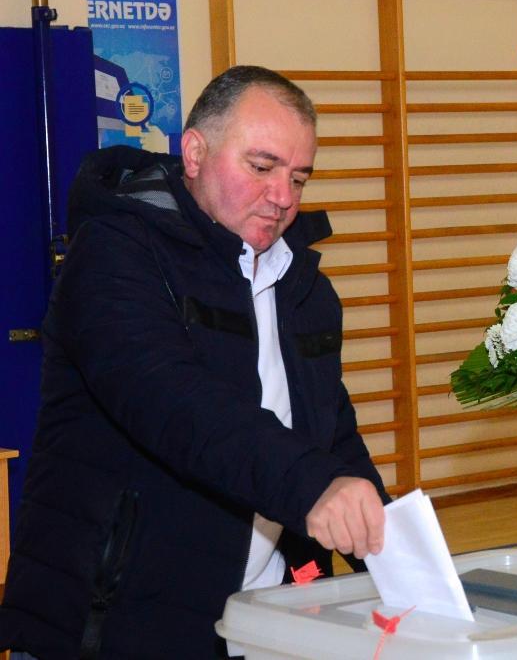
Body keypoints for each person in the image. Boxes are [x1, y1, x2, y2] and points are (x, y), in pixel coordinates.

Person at [0, 66, 388, 659]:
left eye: (299, 177)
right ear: (195, 152)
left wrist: (399, 556)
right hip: (110, 628)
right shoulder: (114, 255)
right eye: (261, 168)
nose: (283, 196)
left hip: (265, 626)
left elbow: (331, 436)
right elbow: (175, 403)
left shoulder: (303, 288)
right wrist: (311, 485)